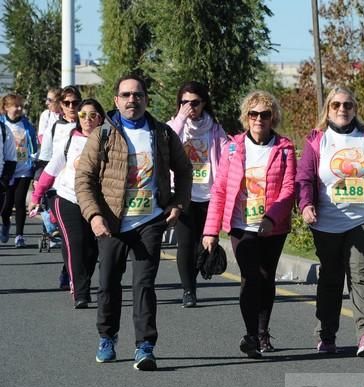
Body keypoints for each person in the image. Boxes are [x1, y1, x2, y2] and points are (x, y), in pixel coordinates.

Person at [75, 74, 192, 370]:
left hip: (150, 221)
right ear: (116, 100)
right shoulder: (103, 134)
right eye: (126, 95)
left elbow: (185, 170)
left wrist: (178, 204)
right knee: (108, 283)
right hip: (112, 222)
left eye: (137, 95)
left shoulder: (162, 133)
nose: (132, 100)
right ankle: (107, 337)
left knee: (144, 285)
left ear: (146, 100)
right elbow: (84, 178)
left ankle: (145, 346)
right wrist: (95, 215)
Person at [296, 86, 364, 357]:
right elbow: (304, 178)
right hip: (328, 222)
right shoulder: (318, 140)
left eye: (348, 105)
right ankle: (326, 334)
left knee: (360, 275)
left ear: (355, 108)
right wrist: (306, 204)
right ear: (328, 109)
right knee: (330, 278)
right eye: (336, 105)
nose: (342, 110)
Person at [202, 90, 296, 358]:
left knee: (266, 279)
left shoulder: (284, 148)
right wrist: (210, 231)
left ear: (272, 118)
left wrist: (271, 217)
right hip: (241, 224)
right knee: (249, 278)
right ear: (246, 117)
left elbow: (288, 189)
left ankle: (263, 331)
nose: (258, 119)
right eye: (253, 114)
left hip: (273, 226)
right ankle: (251, 335)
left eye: (264, 115)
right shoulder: (232, 148)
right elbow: (220, 189)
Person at [29, 99, 105, 309]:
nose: (87, 120)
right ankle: (80, 291)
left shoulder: (108, 142)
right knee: (75, 242)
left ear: (100, 118)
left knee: (91, 250)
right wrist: (36, 197)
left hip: (95, 204)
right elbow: (50, 171)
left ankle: (83, 280)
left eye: (92, 115)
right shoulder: (70, 141)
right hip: (67, 198)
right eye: (83, 115)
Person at [167, 81, 229, 308]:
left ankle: (193, 279)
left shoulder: (215, 129)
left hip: (209, 196)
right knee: (184, 243)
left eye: (195, 102)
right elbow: (166, 143)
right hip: (183, 194)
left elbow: (225, 160)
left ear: (204, 103)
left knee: (201, 244)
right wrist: (180, 119)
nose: (190, 107)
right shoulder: (174, 126)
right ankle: (188, 290)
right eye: (184, 102)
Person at [0, 94, 38, 247]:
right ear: (6, 107)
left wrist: (33, 159)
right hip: (7, 169)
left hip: (23, 168)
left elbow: (33, 144)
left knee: (20, 201)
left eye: (20, 106)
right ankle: (5, 223)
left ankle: (19, 235)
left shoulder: (26, 124)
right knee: (7, 203)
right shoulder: (2, 124)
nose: (19, 109)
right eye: (15, 106)